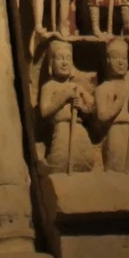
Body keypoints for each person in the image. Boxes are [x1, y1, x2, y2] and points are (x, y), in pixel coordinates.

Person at [85, 38, 129, 173]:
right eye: (116, 58)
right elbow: (101, 117)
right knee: (116, 170)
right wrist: (119, 102)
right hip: (115, 132)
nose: (120, 62)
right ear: (107, 61)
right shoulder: (103, 89)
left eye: (124, 58)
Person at [37, 39, 94, 174]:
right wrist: (63, 97)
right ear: (51, 63)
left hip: (78, 128)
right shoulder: (49, 87)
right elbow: (44, 111)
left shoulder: (76, 87)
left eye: (68, 59)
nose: (64, 63)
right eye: (60, 59)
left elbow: (92, 107)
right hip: (61, 128)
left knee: (86, 160)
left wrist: (83, 107)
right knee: (60, 159)